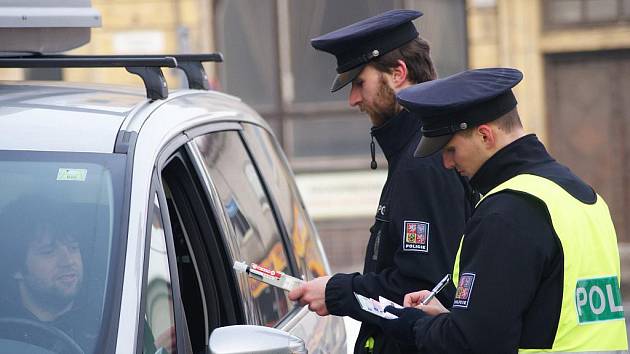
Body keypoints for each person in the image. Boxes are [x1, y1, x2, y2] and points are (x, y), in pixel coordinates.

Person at [379, 67, 628, 352]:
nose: (447, 163)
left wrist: (413, 325)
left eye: (450, 150)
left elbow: (475, 345)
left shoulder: (506, 212)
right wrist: (453, 319)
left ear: (485, 136)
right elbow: (547, 320)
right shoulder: (582, 195)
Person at [288, 9, 473, 354]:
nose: (353, 99)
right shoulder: (412, 149)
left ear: (398, 74)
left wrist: (338, 291)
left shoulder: (424, 160)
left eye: (360, 83)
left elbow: (423, 288)